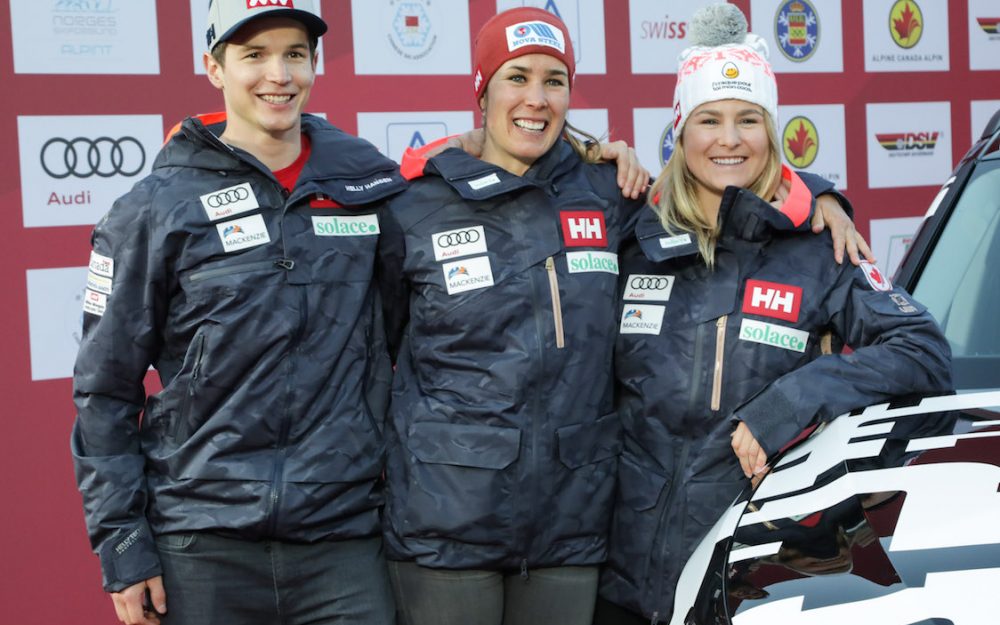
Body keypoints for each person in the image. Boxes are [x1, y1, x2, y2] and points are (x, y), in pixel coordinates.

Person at [376, 8, 862, 625]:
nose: (536, 98)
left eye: (554, 81)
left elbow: (726, 199)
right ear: (482, 88)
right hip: (446, 526)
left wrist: (817, 194)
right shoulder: (415, 204)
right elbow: (378, 348)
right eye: (515, 77)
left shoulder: (610, 195)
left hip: (573, 532)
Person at [594, 5, 953, 624]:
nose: (729, 139)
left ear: (772, 132)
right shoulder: (633, 236)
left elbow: (920, 350)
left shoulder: (818, 246)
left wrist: (789, 403)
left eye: (748, 120)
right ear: (681, 131)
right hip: (614, 584)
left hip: (748, 579)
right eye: (709, 119)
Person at [71, 3, 406, 624]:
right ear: (213, 67)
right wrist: (122, 545)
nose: (278, 74)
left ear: (314, 65)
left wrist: (596, 157)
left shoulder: (371, 188)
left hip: (344, 541)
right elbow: (105, 390)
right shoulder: (154, 208)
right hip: (201, 543)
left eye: (295, 54)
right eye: (253, 55)